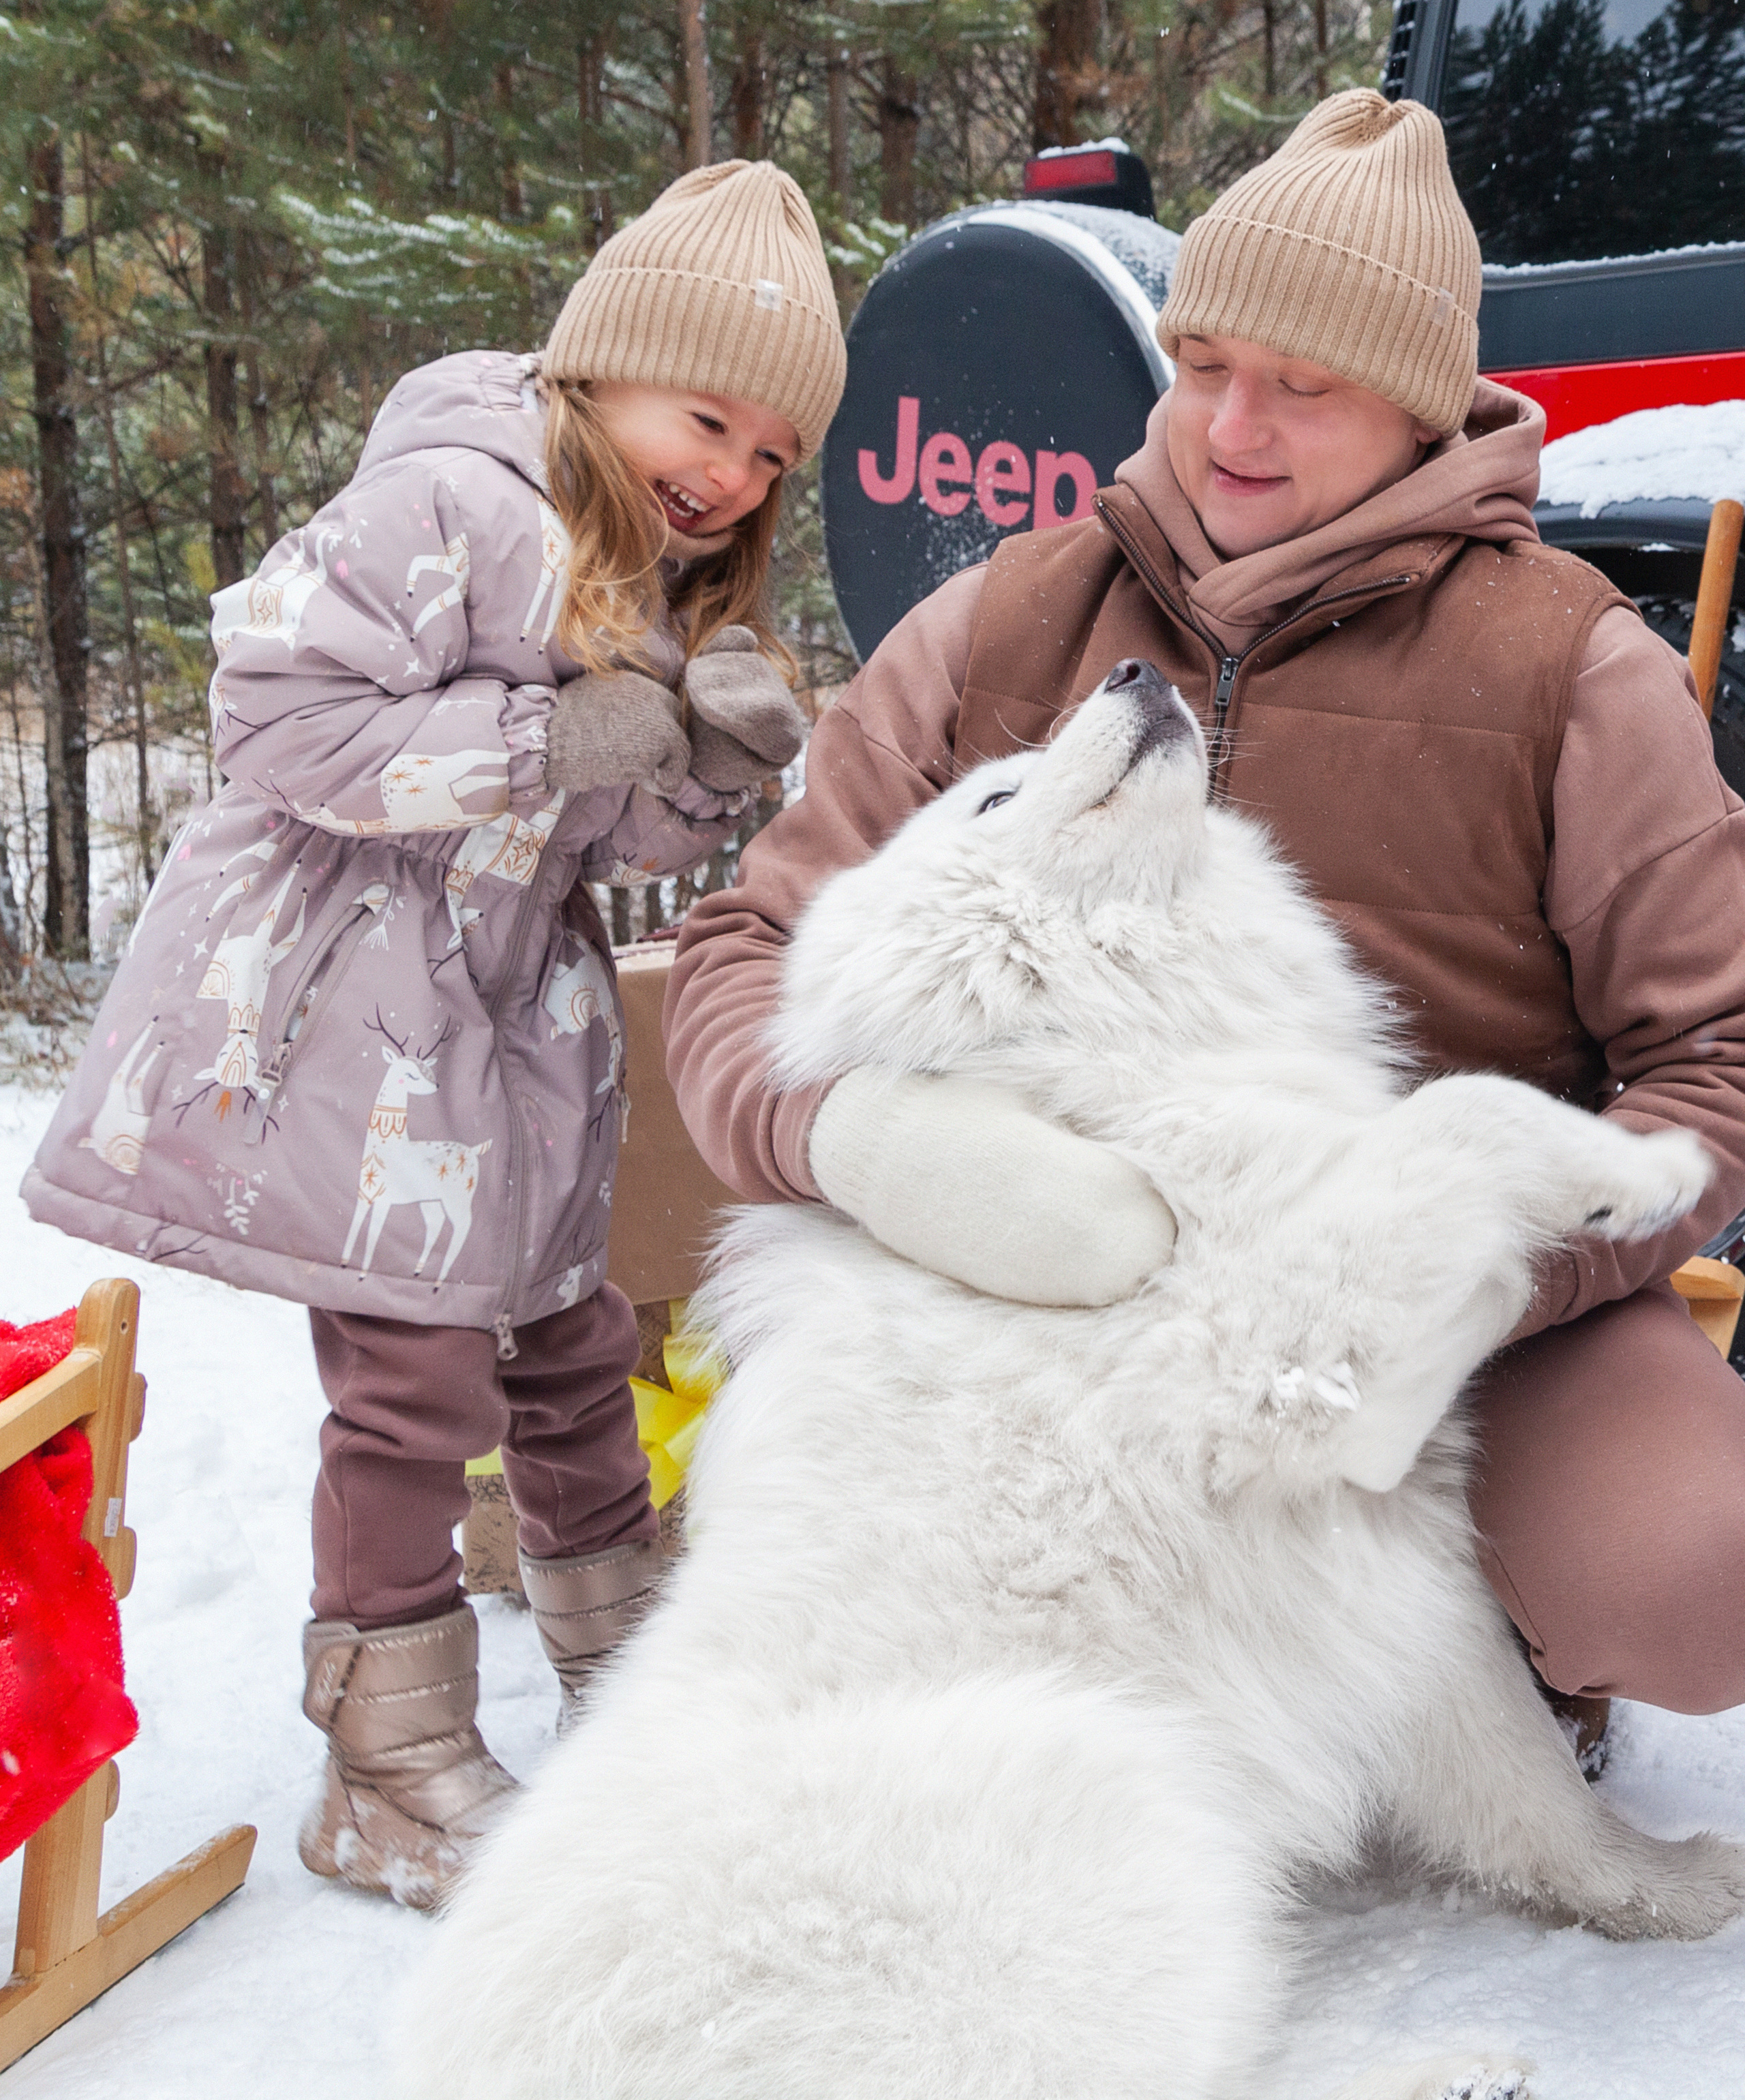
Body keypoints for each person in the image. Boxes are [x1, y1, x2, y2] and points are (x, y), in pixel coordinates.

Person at [666, 93, 1745, 1735]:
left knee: (1694, 1572)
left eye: (1302, 386)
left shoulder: (1569, 665)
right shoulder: (1002, 618)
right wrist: (855, 1140)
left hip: (1428, 1311)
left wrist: (1476, 1277)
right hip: (1037, 1275)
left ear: (1414, 404)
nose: (1230, 425)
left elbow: (1713, 1057)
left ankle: (1478, 1671)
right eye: (1201, 364)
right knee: (797, 1520)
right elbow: (747, 945)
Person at [22, 159, 847, 1906]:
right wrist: (544, 738)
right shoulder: (449, 501)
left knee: (572, 1343)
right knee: (413, 1381)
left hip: (511, 1023)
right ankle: (384, 1769)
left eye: (774, 454)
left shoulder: (658, 571)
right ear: (600, 365)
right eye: (708, 418)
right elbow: (274, 718)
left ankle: (636, 1685)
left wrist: (709, 771)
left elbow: (604, 839)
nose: (733, 473)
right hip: (350, 1007)